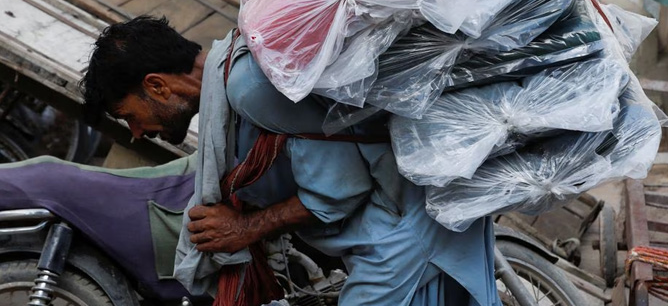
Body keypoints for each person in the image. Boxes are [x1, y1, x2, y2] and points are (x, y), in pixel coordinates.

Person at [81, 16, 501, 306]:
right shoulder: (235, 69)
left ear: (156, 87)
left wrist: (244, 227)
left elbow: (339, 191)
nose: (136, 132)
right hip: (399, 219)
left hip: (404, 232)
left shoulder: (247, 87)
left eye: (128, 116)